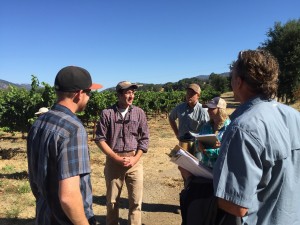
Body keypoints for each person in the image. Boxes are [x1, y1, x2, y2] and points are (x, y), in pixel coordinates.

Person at [213, 50, 300, 225]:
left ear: (239, 82)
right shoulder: (294, 116)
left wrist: (194, 181)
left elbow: (235, 206)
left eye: (232, 78)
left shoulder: (242, 128)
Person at [27, 66, 102, 225]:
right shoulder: (73, 129)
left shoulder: (39, 122)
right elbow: (69, 197)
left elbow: (34, 176)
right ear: (79, 94)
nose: (89, 97)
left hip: (44, 214)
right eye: (88, 93)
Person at [95, 81, 149, 225]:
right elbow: (100, 139)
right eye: (128, 92)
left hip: (135, 163)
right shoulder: (107, 114)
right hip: (114, 162)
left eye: (133, 92)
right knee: (112, 202)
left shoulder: (139, 113)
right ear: (119, 95)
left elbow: (144, 139)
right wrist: (115, 158)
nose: (131, 96)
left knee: (136, 202)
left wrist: (135, 159)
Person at [169, 83, 209, 154]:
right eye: (188, 93)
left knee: (196, 164)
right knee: (182, 164)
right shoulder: (180, 108)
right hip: (182, 142)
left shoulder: (203, 110)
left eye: (192, 94)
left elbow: (208, 127)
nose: (189, 96)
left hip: (196, 144)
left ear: (198, 96)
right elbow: (171, 118)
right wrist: (177, 133)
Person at [194, 97, 231, 169]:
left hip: (221, 169)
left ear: (220, 110)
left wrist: (207, 151)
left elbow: (228, 151)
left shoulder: (229, 127)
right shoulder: (206, 126)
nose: (208, 111)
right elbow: (198, 142)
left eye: (212, 108)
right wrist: (199, 145)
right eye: (208, 108)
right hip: (206, 166)